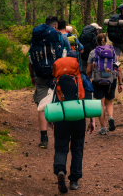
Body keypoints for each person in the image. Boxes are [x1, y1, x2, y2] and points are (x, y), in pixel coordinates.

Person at [52, 50, 95, 193]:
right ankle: (74, 181)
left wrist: (51, 119)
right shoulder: (82, 79)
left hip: (61, 116)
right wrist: (92, 120)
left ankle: (60, 170)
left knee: (61, 147)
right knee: (77, 149)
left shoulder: (57, 79)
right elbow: (88, 100)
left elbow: (52, 100)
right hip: (78, 117)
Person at [28, 16, 71, 149]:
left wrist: (32, 76)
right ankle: (60, 134)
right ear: (56, 25)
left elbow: (31, 60)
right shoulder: (60, 37)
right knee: (59, 100)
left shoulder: (36, 38)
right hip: (57, 74)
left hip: (40, 75)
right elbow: (68, 55)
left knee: (41, 105)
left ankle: (44, 138)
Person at [86, 33, 123, 135]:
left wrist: (88, 79)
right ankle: (110, 117)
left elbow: (88, 70)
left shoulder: (93, 52)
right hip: (111, 79)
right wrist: (120, 83)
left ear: (96, 41)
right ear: (105, 41)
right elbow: (118, 68)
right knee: (109, 102)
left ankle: (103, 128)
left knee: (100, 104)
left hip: (97, 80)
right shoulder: (112, 51)